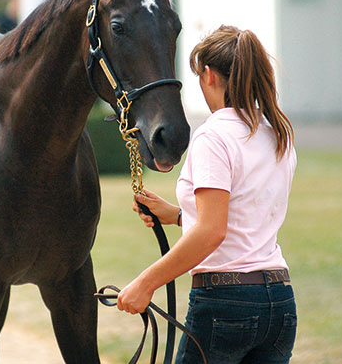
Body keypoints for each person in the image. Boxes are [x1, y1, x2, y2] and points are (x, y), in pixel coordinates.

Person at [116, 25, 298, 364]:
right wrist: (178, 216)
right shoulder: (276, 134)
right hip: (280, 301)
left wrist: (146, 282)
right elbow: (244, 214)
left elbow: (213, 231)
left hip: (225, 304)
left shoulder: (213, 136)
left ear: (209, 75)